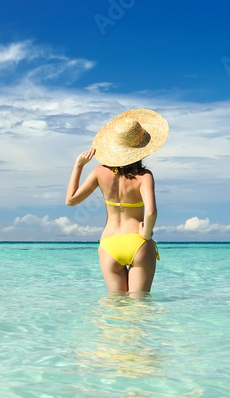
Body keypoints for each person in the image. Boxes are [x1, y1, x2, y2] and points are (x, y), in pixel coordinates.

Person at [65, 109, 168, 293]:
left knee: (116, 308)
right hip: (138, 242)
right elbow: (151, 212)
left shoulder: (98, 172)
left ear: (114, 148)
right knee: (140, 307)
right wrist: (146, 233)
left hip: (109, 244)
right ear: (141, 149)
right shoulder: (144, 176)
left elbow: (71, 201)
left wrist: (78, 166)